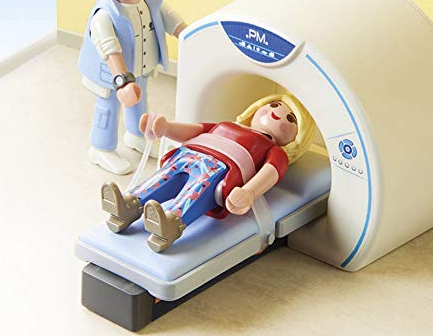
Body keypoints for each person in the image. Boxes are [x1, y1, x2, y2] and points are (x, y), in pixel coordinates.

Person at [101, 93, 316, 252]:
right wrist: (166, 128)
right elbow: (195, 130)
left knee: (199, 187)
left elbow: (270, 173)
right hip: (187, 155)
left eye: (291, 119)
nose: (276, 114)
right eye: (274, 105)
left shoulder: (275, 151)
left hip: (220, 169)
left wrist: (249, 192)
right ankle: (130, 204)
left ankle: (172, 222)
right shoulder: (225, 125)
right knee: (162, 177)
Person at [78, 0, 187, 175]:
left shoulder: (150, 1)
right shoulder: (104, 14)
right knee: (107, 107)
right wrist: (122, 81)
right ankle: (101, 148)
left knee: (140, 100)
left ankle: (137, 135)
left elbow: (171, 19)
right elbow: (109, 48)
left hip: (140, 67)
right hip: (111, 75)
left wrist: (189, 35)